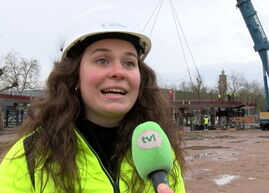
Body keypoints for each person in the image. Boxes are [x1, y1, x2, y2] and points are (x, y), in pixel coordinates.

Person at [0, 6, 186, 193]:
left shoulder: (160, 153)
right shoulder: (28, 159)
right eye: (102, 60)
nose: (118, 72)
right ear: (74, 76)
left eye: (129, 63)